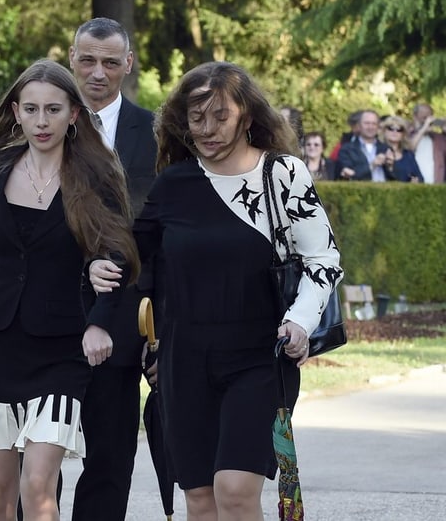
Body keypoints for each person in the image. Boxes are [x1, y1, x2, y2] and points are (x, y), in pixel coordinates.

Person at [89, 61, 343, 521]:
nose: (206, 129)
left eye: (219, 116)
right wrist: (101, 268)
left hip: (261, 358)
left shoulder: (283, 175)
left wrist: (300, 322)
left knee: (235, 491)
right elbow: (133, 259)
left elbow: (323, 260)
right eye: (195, 117)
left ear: (247, 113)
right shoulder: (174, 184)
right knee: (201, 500)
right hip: (183, 361)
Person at [0, 58, 139, 521]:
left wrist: (100, 324)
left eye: (53, 110)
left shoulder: (93, 177)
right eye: (31, 109)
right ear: (17, 113)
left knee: (38, 483)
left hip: (62, 348)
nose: (42, 122)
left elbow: (117, 255)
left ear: (74, 115)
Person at [66, 16, 157, 521]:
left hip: (124, 322)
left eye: (109, 62)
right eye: (87, 60)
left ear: (127, 64)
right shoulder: (46, 121)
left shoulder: (158, 132)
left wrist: (156, 326)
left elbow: (159, 234)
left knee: (110, 456)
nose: (97, 73)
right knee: (37, 458)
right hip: (50, 314)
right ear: (72, 60)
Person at [337, 109, 390, 181]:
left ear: (378, 126)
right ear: (359, 126)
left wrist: (391, 166)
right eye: (367, 123)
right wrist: (372, 165)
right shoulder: (347, 149)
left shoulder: (386, 148)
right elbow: (350, 175)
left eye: (374, 124)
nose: (370, 127)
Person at [407, 103, 446, 184]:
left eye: (430, 117)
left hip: (436, 185)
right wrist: (424, 128)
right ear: (415, 117)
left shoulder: (438, 138)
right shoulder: (407, 134)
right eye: (424, 118)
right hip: (415, 184)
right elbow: (410, 148)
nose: (428, 121)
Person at [380, 115, 423, 183]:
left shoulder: (408, 154)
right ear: (384, 131)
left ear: (403, 134)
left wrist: (416, 181)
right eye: (391, 128)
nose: (395, 132)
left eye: (399, 130)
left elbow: (420, 178)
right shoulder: (378, 150)